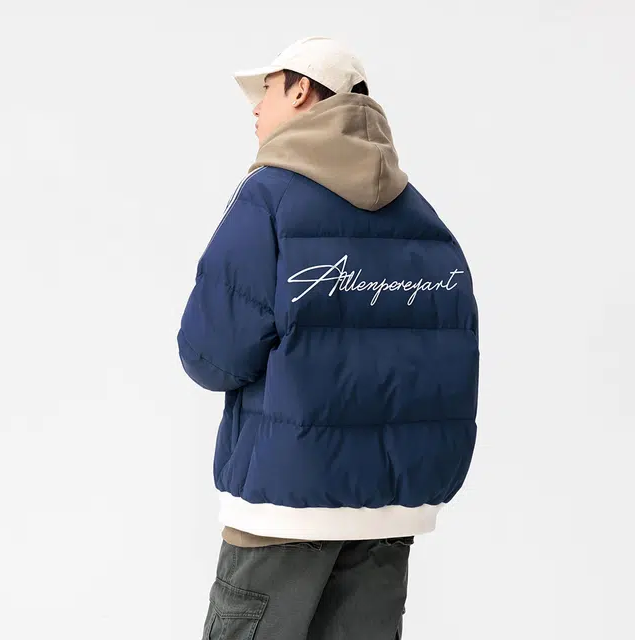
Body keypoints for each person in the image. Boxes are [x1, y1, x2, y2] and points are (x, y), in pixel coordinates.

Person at [177, 35, 479, 640]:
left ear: (301, 92)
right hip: (389, 514)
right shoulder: (421, 216)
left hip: (282, 505)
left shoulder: (268, 197)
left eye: (267, 90)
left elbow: (211, 354)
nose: (256, 108)